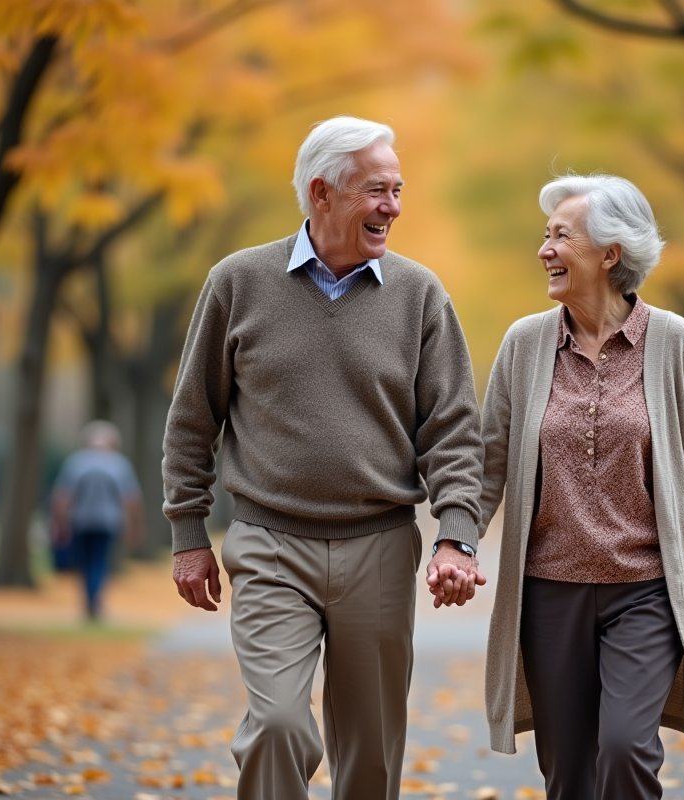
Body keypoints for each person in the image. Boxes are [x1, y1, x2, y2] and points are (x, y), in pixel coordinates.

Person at [162, 116, 485, 800]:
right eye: (376, 190)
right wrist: (188, 536)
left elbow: (453, 432)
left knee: (369, 758)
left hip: (379, 545)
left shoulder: (420, 296)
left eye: (397, 190)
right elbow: (193, 421)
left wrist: (456, 534)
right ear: (321, 193)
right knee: (278, 725)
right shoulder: (237, 283)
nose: (392, 206)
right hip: (270, 543)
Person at [477, 173, 684, 800]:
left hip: (643, 593)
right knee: (569, 774)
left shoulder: (671, 342)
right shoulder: (525, 344)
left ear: (609, 254)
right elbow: (488, 467)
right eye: (545, 234)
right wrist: (457, 542)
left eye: (561, 236)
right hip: (550, 592)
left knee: (626, 752)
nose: (544, 249)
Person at [51, 420, 143, 620]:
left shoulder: (76, 462)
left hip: (80, 521)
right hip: (109, 522)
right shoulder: (119, 464)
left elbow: (63, 496)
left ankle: (88, 601)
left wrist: (60, 522)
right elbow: (131, 499)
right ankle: (95, 600)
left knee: (84, 562)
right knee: (100, 561)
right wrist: (134, 526)